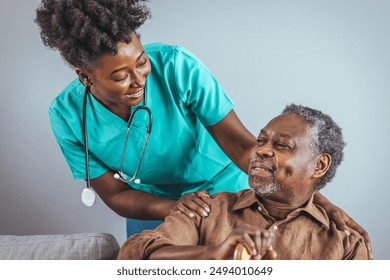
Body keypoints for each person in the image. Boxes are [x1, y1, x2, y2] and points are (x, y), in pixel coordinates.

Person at [34, 0, 369, 246]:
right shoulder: (65, 115)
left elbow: (242, 147)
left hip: (227, 188)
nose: (139, 80)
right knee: (145, 258)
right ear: (84, 76)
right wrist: (174, 207)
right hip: (150, 203)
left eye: (142, 62)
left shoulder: (177, 65)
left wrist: (317, 203)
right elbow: (115, 193)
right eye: (121, 76)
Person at [117, 104, 371, 260]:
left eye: (281, 145)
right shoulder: (207, 210)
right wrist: (213, 256)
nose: (260, 151)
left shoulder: (345, 243)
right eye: (261, 141)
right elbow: (135, 255)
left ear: (320, 166)